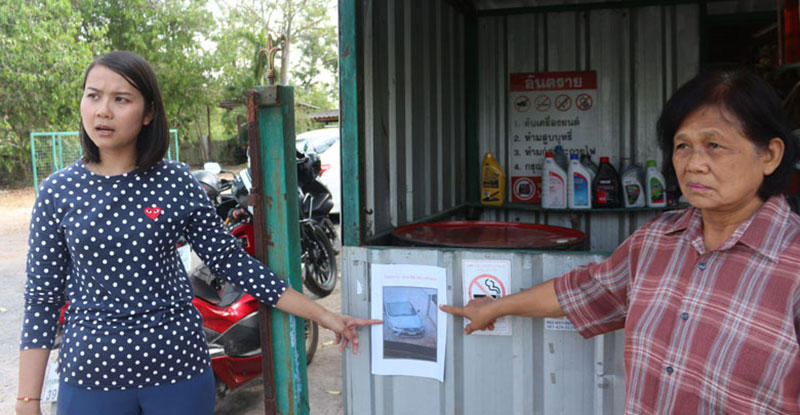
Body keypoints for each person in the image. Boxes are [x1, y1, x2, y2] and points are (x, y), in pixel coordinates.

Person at [15, 50, 380, 415]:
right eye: (93, 95)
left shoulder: (174, 181)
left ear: (148, 113)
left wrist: (324, 315)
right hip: (91, 377)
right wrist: (27, 400)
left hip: (177, 371)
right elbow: (42, 299)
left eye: (121, 99)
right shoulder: (58, 191)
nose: (103, 111)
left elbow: (233, 262)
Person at [442, 68, 800, 413]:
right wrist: (495, 307)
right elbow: (585, 290)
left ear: (770, 155)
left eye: (714, 145)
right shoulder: (657, 240)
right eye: (682, 146)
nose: (693, 164)